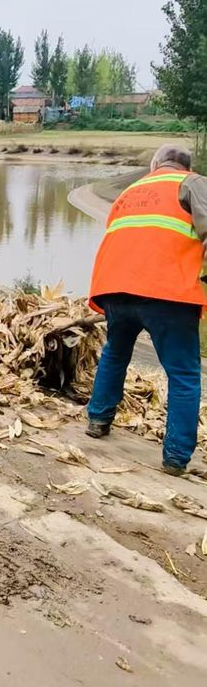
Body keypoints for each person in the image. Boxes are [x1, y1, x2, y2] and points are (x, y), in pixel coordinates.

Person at [86, 144, 207, 476]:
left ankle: (97, 419)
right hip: (166, 293)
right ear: (186, 166)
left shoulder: (131, 190)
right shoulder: (193, 183)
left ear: (156, 165)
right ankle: (176, 457)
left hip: (115, 287)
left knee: (115, 352)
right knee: (183, 374)